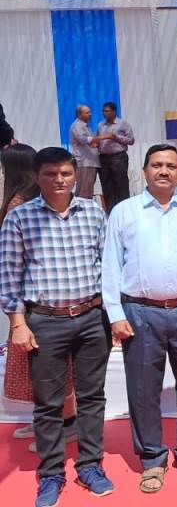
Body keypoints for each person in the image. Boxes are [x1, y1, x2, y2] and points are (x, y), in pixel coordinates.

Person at [102, 144, 177, 493]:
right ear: (144, 171)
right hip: (140, 313)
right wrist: (115, 313)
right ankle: (152, 459)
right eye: (156, 165)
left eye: (171, 166)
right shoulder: (124, 212)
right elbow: (111, 265)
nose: (163, 171)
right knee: (143, 390)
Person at [1, 147, 112, 507]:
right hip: (45, 321)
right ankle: (51, 474)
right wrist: (18, 323)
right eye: (50, 174)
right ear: (37, 177)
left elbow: (107, 264)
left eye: (66, 173)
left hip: (92, 317)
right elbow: (9, 275)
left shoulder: (93, 212)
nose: (59, 180)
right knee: (48, 404)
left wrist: (112, 313)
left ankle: (90, 466)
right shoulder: (20, 217)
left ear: (75, 175)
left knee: (91, 398)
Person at [2, 145, 80, 451]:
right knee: (41, 369)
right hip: (31, 303)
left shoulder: (21, 204)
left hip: (43, 304)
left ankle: (66, 424)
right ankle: (49, 421)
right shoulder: (23, 204)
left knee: (53, 370)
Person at [96, 102, 135, 213]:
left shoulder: (123, 124)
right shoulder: (100, 125)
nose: (104, 113)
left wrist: (115, 137)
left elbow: (131, 140)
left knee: (121, 185)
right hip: (103, 158)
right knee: (106, 187)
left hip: (118, 158)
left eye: (107, 111)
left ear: (114, 111)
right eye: (103, 111)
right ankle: (111, 213)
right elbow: (98, 139)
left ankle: (125, 212)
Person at [70, 105, 101, 199]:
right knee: (83, 189)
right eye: (87, 113)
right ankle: (80, 207)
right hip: (84, 161)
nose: (90, 114)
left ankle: (86, 206)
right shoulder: (77, 125)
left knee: (88, 189)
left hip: (90, 161)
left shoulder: (86, 126)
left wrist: (95, 143)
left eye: (90, 112)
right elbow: (82, 139)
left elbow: (90, 142)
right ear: (79, 114)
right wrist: (104, 137)